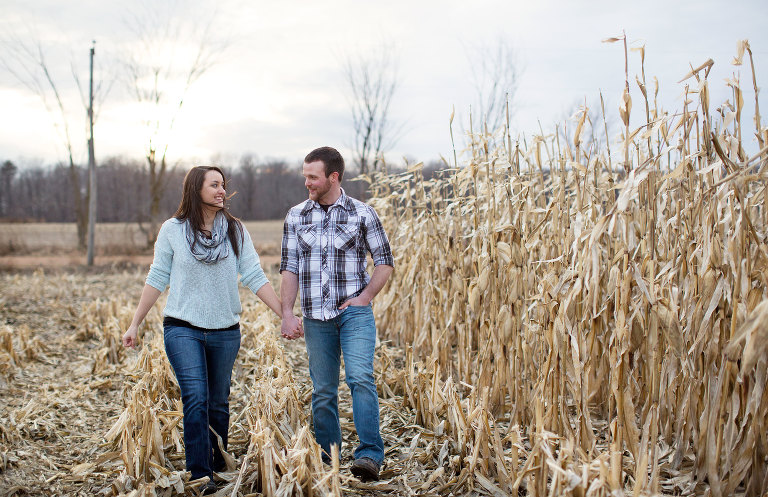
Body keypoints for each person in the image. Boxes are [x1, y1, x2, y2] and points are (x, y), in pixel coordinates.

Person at [121, 166, 301, 495]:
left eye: (223, 185)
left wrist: (285, 315)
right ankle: (200, 475)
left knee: (218, 402)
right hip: (182, 328)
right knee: (196, 397)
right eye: (214, 185)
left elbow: (254, 276)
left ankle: (217, 464)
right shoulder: (172, 230)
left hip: (225, 331)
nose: (221, 190)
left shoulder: (235, 230)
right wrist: (135, 323)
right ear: (196, 190)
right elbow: (157, 277)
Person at [279, 146, 394, 482]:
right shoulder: (296, 216)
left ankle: (370, 455)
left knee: (360, 377)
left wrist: (366, 296)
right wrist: (287, 312)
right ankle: (328, 455)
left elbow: (384, 261)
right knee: (324, 389)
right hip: (316, 317)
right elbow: (289, 268)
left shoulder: (363, 213)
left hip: (354, 314)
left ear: (333, 177)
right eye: (305, 176)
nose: (307, 183)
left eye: (312, 177)